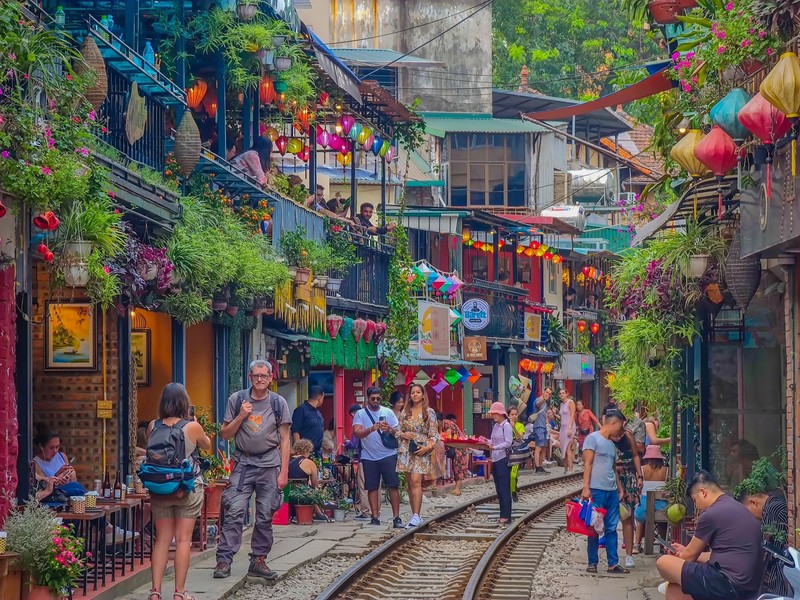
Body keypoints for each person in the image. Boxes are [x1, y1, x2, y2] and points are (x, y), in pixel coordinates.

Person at [214, 360, 291, 581]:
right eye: (256, 375)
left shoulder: (278, 403)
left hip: (269, 464)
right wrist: (240, 416)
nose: (259, 379)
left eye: (263, 376)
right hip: (243, 463)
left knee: (265, 514)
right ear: (249, 377)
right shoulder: (237, 399)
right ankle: (224, 560)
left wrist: (284, 471)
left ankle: (258, 560)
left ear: (270, 378)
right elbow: (225, 434)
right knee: (234, 511)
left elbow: (285, 440)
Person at [656, 470, 763, 600]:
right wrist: (684, 552)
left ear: (703, 493)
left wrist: (679, 556)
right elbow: (723, 553)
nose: (697, 506)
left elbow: (689, 556)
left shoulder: (711, 514)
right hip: (745, 585)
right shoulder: (735, 506)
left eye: (695, 501)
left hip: (728, 584)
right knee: (674, 590)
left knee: (663, 562)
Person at [147, 383, 211, 600]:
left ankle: (155, 592)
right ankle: (179, 593)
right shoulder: (191, 427)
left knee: (162, 539)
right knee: (183, 540)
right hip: (186, 488)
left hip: (161, 488)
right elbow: (208, 445)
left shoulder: (153, 426)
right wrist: (196, 424)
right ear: (185, 403)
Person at [581, 409, 629, 574]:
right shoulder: (592, 439)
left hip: (612, 491)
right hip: (597, 490)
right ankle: (592, 562)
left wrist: (620, 488)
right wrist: (586, 487)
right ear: (613, 423)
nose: (621, 432)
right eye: (620, 427)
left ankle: (613, 563)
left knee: (611, 527)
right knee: (594, 526)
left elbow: (613, 469)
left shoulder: (611, 445)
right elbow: (587, 464)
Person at [352, 386, 403, 528]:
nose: (375, 401)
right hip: (369, 456)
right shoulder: (360, 414)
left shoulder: (388, 412)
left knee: (393, 485)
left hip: (388, 454)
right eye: (373, 398)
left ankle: (396, 517)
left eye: (378, 399)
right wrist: (371, 429)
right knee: (372, 487)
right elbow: (357, 433)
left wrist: (389, 429)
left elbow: (398, 432)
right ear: (368, 399)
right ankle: (374, 517)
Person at [396, 383, 439, 528]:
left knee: (416, 481)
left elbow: (434, 434)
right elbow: (397, 430)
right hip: (406, 449)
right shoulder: (405, 412)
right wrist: (403, 434)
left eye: (418, 392)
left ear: (423, 395)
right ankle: (415, 514)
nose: (415, 395)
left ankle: (416, 515)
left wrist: (427, 447)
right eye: (413, 392)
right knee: (409, 483)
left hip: (421, 449)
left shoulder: (429, 412)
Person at [739, 489, 791, 596]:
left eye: (748, 513)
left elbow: (771, 551)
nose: (751, 518)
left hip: (780, 583)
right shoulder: (776, 504)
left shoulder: (772, 509)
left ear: (753, 502)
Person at [612, 417, 643, 569]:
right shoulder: (606, 439)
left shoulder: (628, 436)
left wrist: (639, 475)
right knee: (610, 517)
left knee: (627, 516)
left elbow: (636, 455)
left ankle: (629, 555)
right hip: (612, 477)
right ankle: (611, 557)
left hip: (629, 475)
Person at [634, 445, 669, 554]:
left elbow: (638, 490)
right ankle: (664, 545)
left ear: (647, 457)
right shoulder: (666, 471)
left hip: (644, 509)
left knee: (640, 518)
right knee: (662, 521)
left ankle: (637, 544)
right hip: (662, 508)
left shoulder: (642, 471)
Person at [486, 402, 513, 525]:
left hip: (503, 459)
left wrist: (495, 447)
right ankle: (502, 513)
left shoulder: (506, 426)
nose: (493, 415)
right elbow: (492, 440)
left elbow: (508, 442)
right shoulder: (496, 426)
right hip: (495, 459)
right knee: (499, 488)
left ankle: (506, 515)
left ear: (501, 413)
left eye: (495, 413)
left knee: (504, 488)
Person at [343, 403, 371, 520]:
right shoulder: (369, 421)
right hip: (375, 457)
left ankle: (366, 512)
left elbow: (354, 443)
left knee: (363, 485)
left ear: (353, 414)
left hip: (363, 458)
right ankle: (376, 511)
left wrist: (345, 443)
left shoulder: (358, 425)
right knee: (374, 486)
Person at [440, 413, 469, 496]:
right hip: (457, 447)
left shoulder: (447, 424)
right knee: (455, 467)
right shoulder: (446, 424)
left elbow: (448, 437)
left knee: (458, 467)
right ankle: (456, 488)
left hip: (458, 448)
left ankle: (458, 489)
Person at [291, 385, 325, 456]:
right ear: (320, 398)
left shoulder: (318, 412)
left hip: (317, 452)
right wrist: (299, 452)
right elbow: (295, 431)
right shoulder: (301, 410)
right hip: (305, 452)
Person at [529, 387, 552, 474]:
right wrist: (544, 400)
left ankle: (541, 465)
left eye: (549, 394)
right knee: (538, 447)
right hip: (538, 426)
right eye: (547, 392)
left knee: (543, 447)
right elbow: (538, 405)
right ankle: (537, 467)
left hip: (544, 427)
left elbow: (545, 415)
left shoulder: (546, 404)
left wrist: (547, 423)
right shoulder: (538, 400)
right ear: (543, 391)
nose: (547, 394)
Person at [508, 406, 525, 502]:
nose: (514, 416)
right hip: (506, 452)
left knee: (513, 475)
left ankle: (513, 492)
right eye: (512, 414)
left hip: (516, 452)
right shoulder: (505, 425)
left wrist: (513, 426)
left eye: (515, 414)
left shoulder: (520, 425)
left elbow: (520, 437)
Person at [558, 390, 576, 474]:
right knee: (563, 449)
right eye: (560, 393)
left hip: (569, 426)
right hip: (562, 427)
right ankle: (565, 468)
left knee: (568, 448)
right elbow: (562, 417)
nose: (561, 395)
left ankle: (571, 469)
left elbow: (572, 415)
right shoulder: (561, 404)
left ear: (567, 394)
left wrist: (570, 427)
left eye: (563, 393)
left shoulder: (570, 402)